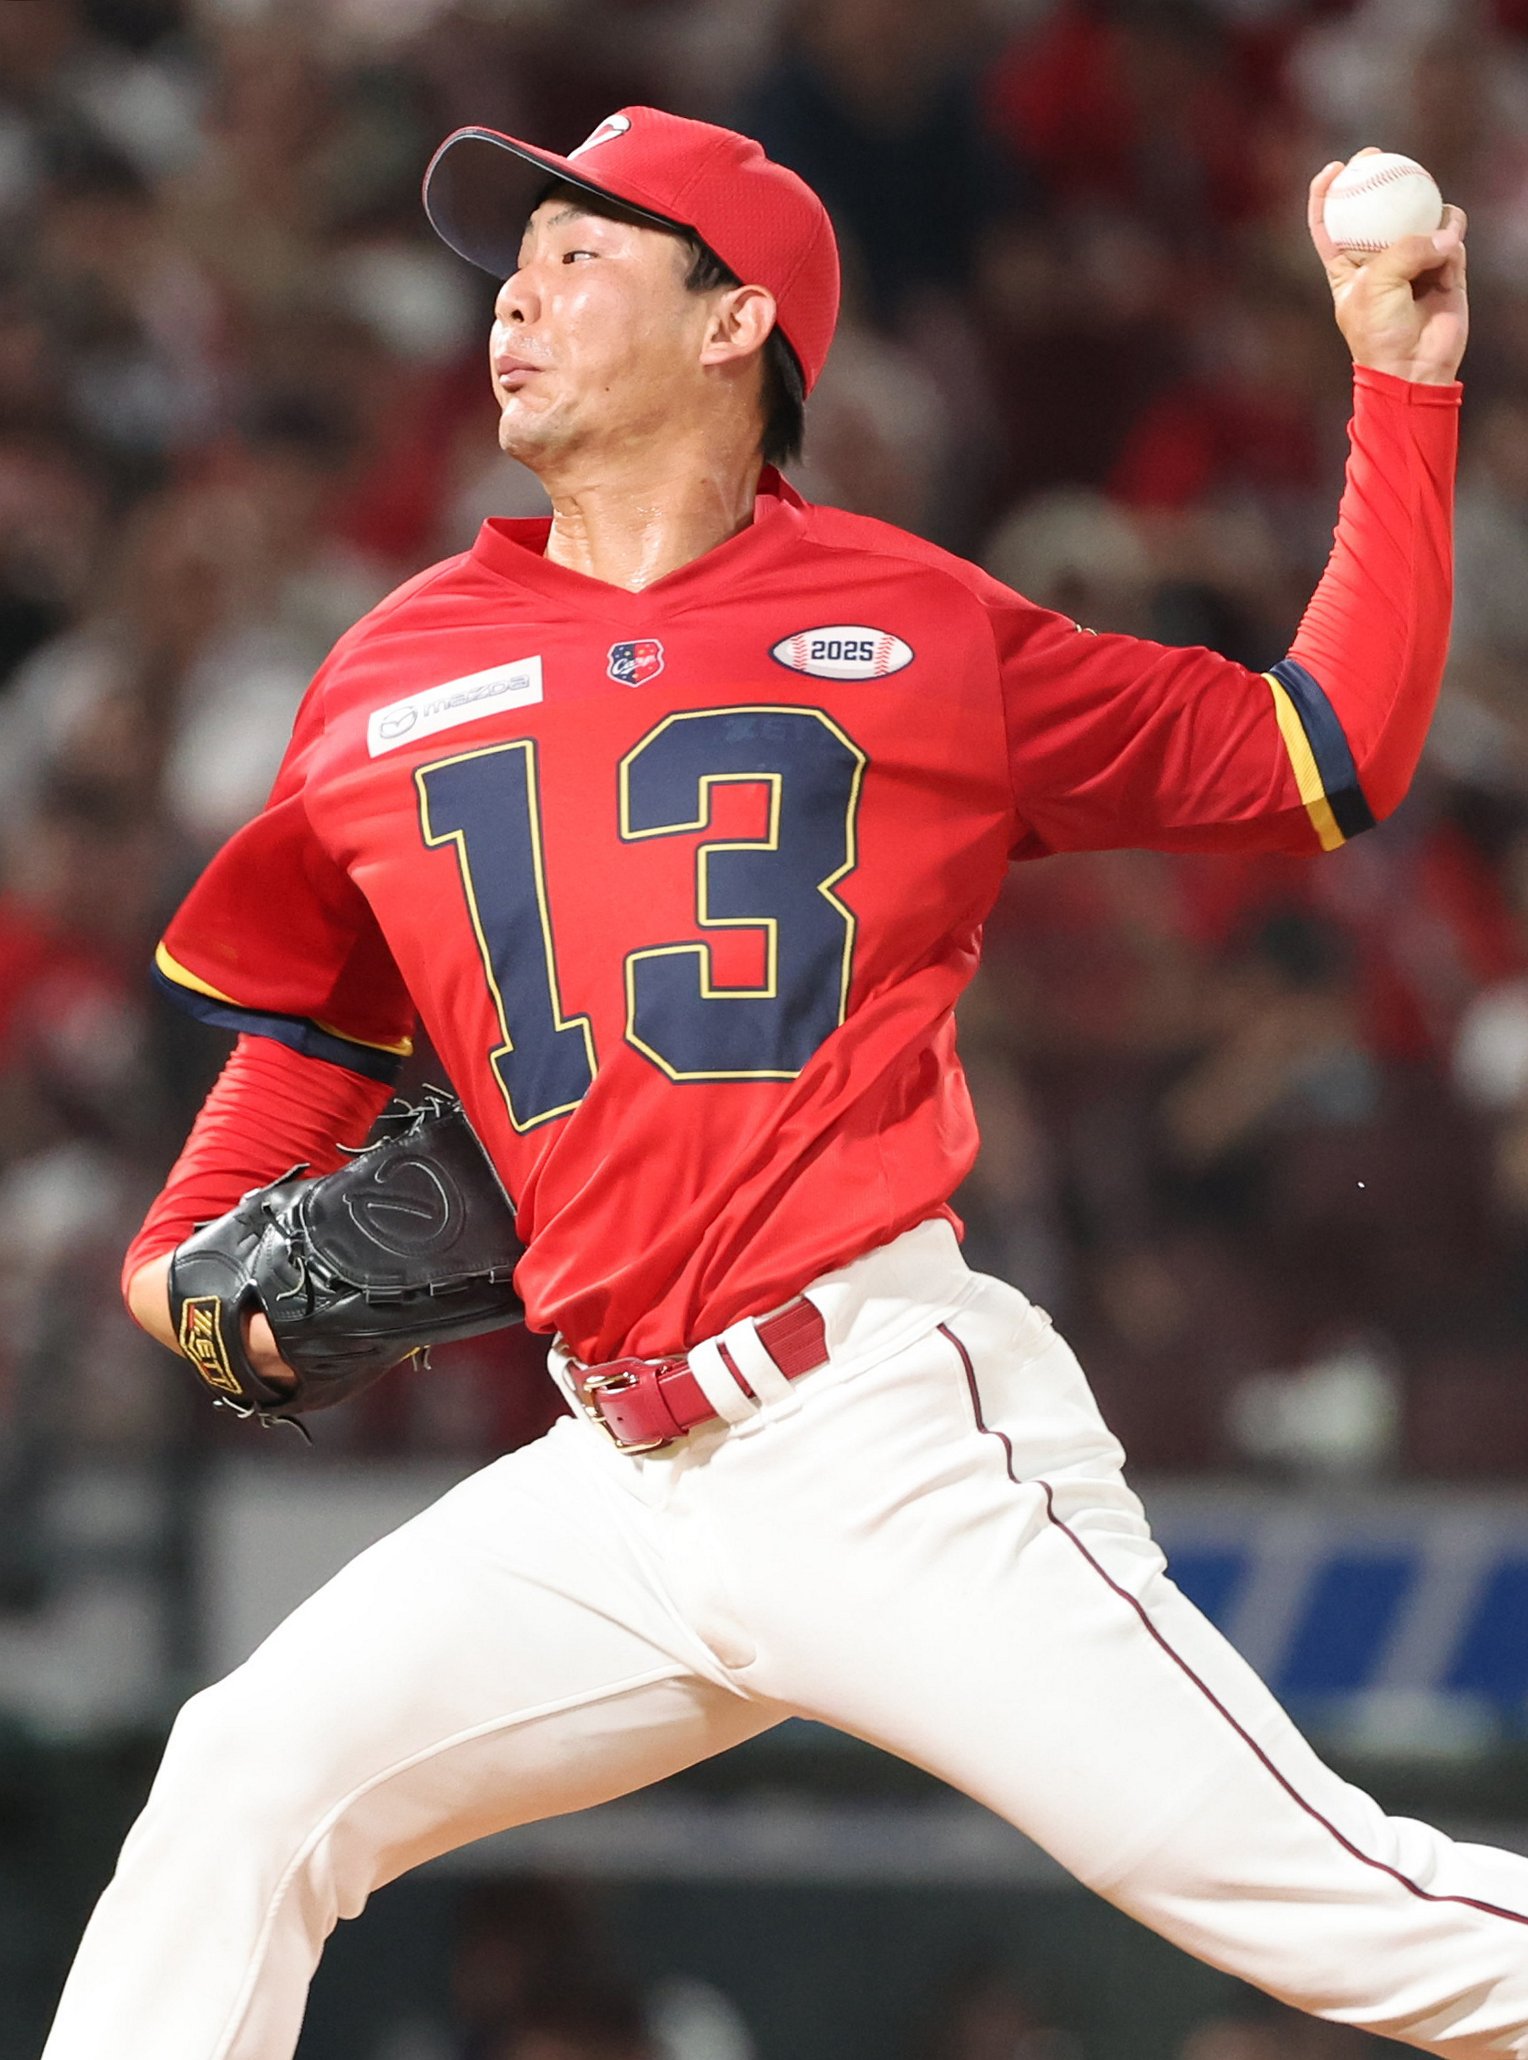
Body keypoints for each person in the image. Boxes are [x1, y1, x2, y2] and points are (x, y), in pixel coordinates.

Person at [37, 107, 1522, 2060]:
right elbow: (308, 1037)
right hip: (611, 1477)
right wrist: (178, 1270)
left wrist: (1398, 392)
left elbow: (1320, 750)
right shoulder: (388, 670)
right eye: (513, 268)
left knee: (1349, 1918)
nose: (516, 304)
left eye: (580, 258)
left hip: (877, 1431)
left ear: (736, 319)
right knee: (243, 1785)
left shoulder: (921, 626)